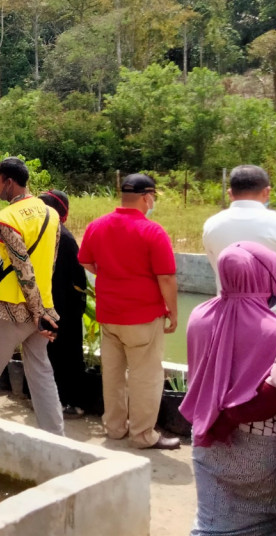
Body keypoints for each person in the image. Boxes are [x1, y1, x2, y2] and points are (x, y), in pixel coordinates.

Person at [180, 242, 276, 535]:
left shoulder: (199, 315)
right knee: (264, 522)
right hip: (262, 446)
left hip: (204, 435)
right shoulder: (275, 329)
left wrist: (217, 418)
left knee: (213, 520)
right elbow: (274, 394)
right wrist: (230, 418)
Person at [77, 173, 180, 450]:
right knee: (145, 376)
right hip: (143, 318)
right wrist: (173, 311)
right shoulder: (152, 231)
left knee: (112, 375)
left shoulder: (97, 226)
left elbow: (86, 261)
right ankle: (143, 435)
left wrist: (109, 275)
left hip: (109, 316)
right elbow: (167, 278)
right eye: (153, 198)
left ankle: (114, 428)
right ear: (147, 197)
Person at [0, 159, 63, 435]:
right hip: (43, 307)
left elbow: (23, 267)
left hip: (13, 309)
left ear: (8, 181)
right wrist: (44, 312)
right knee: (41, 374)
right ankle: (58, 439)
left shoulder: (7, 219)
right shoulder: (51, 214)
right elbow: (49, 265)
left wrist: (35, 310)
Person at [38, 189, 89, 418]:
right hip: (52, 308)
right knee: (54, 355)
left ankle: (72, 401)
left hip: (62, 309)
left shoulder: (64, 239)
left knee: (65, 355)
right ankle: (55, 400)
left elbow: (78, 281)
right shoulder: (51, 236)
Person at [202, 165, 276, 292]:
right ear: (267, 192)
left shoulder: (211, 225)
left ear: (230, 192)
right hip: (273, 310)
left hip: (228, 308)